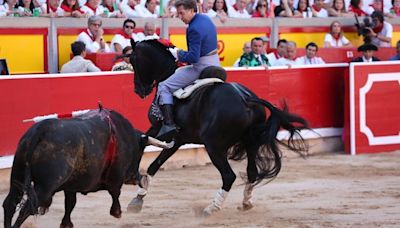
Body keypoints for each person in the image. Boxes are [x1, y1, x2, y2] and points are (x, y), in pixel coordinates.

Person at [156, 0, 220, 141]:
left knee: (164, 86)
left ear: (192, 10)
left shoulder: (193, 28)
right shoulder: (205, 18)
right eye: (178, 13)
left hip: (201, 66)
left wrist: (178, 53)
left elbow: (193, 57)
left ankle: (169, 125)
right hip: (216, 63)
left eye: (182, 13)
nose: (180, 17)